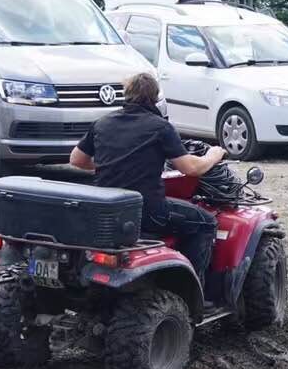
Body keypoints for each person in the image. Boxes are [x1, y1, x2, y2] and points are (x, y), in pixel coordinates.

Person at [70, 73, 224, 294]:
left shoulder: (103, 123)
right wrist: (213, 155)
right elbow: (190, 168)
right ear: (154, 98)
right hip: (148, 211)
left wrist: (111, 165)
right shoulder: (160, 127)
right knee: (206, 223)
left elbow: (76, 159)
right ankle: (190, 290)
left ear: (126, 94)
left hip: (106, 211)